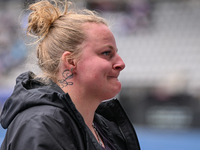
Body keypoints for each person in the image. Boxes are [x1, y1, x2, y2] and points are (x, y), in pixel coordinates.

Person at [0, 0, 140, 150]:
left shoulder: (103, 126)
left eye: (116, 53)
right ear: (70, 62)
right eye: (106, 53)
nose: (121, 63)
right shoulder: (41, 125)